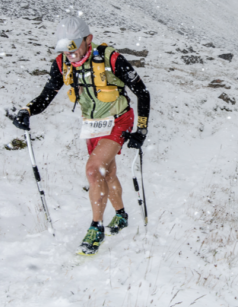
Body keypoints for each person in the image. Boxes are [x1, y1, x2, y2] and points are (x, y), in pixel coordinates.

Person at [9, 16, 150, 255]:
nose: (70, 54)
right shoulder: (62, 64)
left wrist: (141, 130)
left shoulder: (111, 59)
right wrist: (27, 110)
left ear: (88, 39)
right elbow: (46, 95)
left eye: (74, 47)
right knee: (107, 172)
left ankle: (96, 228)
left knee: (94, 170)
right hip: (92, 126)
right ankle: (121, 215)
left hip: (119, 120)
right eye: (65, 48)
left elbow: (142, 92)